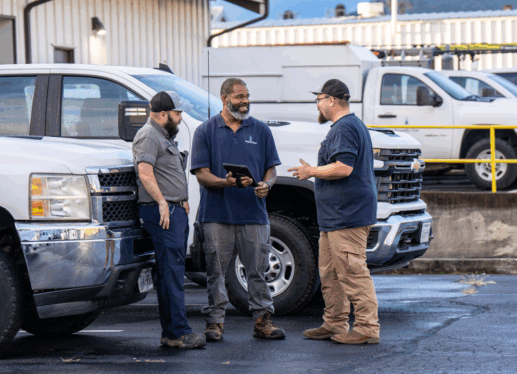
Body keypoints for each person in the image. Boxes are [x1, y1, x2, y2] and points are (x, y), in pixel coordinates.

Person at [190, 78, 286, 342]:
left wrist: (267, 183)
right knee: (216, 272)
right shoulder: (205, 131)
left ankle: (263, 321)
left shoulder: (261, 130)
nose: (245, 102)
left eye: (247, 96)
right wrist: (226, 182)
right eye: (239, 97)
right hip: (216, 216)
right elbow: (201, 174)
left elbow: (272, 168)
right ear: (224, 98)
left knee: (258, 271)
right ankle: (215, 323)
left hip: (254, 214)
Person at [288, 79, 380, 345]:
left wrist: (312, 171)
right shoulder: (345, 126)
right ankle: (334, 323)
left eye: (318, 99)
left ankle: (367, 328)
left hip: (347, 216)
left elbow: (344, 167)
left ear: (330, 100)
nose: (317, 104)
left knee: (353, 272)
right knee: (330, 273)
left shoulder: (346, 128)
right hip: (334, 217)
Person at [133, 90, 206, 349]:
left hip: (173, 211)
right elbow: (145, 172)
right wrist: (164, 202)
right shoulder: (148, 135)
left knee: (169, 273)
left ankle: (171, 332)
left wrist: (180, 198)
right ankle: (179, 333)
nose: (180, 117)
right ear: (163, 114)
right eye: (177, 113)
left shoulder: (163, 135)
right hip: (163, 213)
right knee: (173, 273)